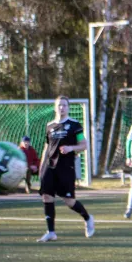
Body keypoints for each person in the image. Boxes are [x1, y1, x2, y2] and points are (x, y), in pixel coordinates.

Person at [37, 95, 95, 242]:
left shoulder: (75, 125)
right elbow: (46, 147)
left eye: (64, 105)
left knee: (69, 200)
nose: (62, 108)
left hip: (65, 167)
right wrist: (41, 167)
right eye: (59, 105)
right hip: (49, 166)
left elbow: (84, 145)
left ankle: (87, 218)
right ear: (55, 107)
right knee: (47, 197)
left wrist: (71, 148)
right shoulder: (49, 126)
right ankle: (51, 232)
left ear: (68, 108)